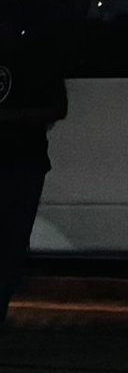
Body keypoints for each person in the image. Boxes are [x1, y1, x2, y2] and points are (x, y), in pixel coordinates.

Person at [0, 19, 68, 329]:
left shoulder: (36, 57)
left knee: (11, 243)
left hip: (22, 165)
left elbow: (57, 107)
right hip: (24, 164)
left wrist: (13, 117)